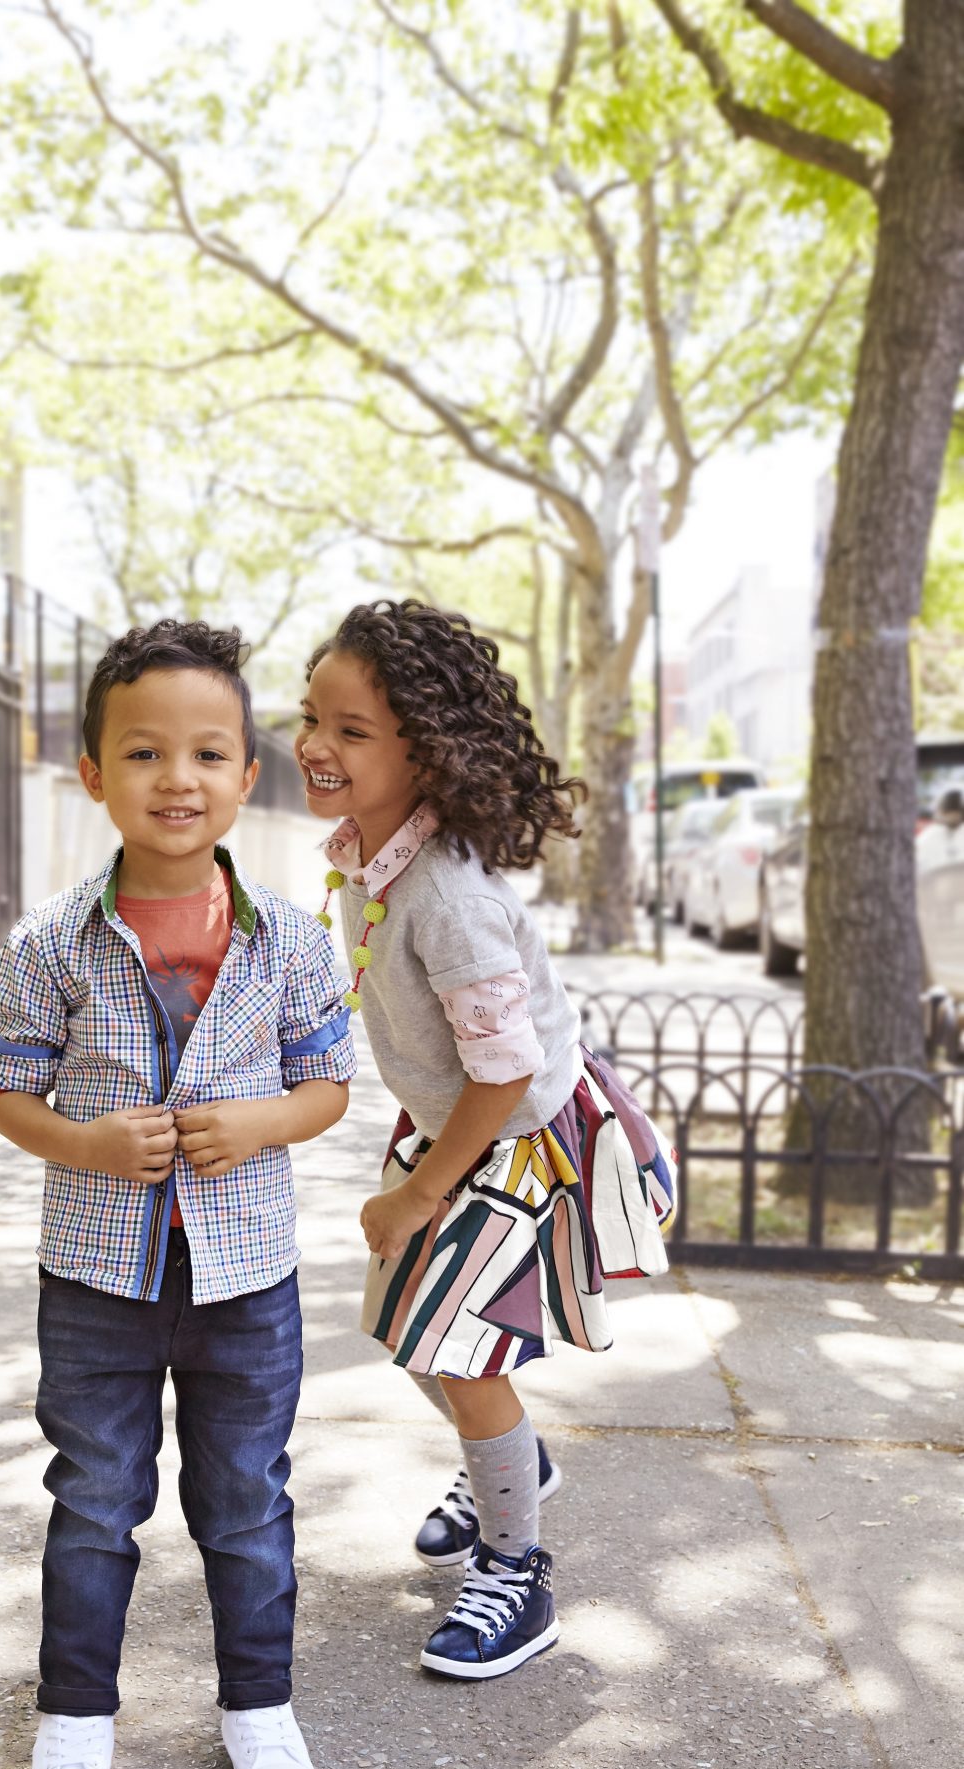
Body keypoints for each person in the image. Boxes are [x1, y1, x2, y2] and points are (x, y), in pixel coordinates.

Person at [0, 619, 355, 1769]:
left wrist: (261, 1123)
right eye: (143, 753)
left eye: (207, 754)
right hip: (96, 1275)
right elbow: (6, 1088)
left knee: (246, 1500)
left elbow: (328, 1081)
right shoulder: (51, 941)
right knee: (94, 1497)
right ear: (93, 772)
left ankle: (259, 1710)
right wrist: (84, 1142)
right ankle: (75, 1725)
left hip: (247, 1276)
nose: (176, 779)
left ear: (250, 776)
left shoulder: (292, 938)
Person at [296, 599, 675, 1681]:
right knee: (413, 1332)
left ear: (431, 751)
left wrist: (417, 1195)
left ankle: (518, 1570)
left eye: (352, 730)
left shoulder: (447, 894)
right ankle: (511, 1459)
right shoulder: (370, 853)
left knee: (458, 1353)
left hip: (514, 1145)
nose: (318, 744)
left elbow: (504, 1068)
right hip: (455, 1129)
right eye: (311, 715)